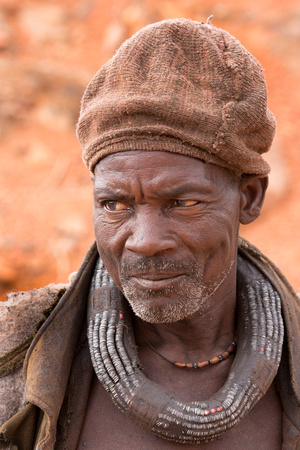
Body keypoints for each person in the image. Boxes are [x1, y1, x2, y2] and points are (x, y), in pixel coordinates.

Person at [0, 18, 299, 449]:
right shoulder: (18, 367)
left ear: (249, 198)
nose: (145, 240)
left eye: (182, 203)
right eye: (115, 205)